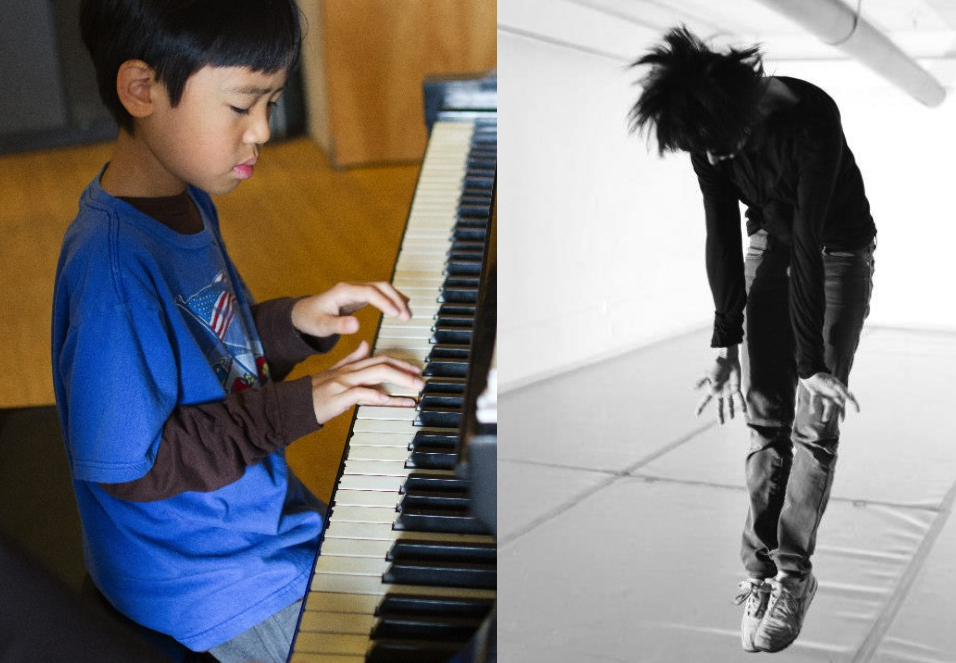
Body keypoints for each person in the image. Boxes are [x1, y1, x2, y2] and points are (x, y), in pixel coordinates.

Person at [51, 1, 426, 662]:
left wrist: (296, 324)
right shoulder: (111, 267)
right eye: (241, 105)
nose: (262, 131)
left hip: (246, 529)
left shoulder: (185, 197)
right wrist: (310, 399)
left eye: (272, 103)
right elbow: (137, 465)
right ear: (142, 89)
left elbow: (218, 350)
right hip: (204, 580)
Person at [628, 26, 876, 653]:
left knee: (813, 421)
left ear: (744, 109)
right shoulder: (706, 138)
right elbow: (721, 232)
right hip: (770, 241)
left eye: (716, 147)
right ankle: (758, 571)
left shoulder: (810, 115)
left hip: (836, 249)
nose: (711, 161)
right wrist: (725, 342)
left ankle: (794, 577)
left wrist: (812, 364)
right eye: (700, 152)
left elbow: (810, 245)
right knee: (764, 415)